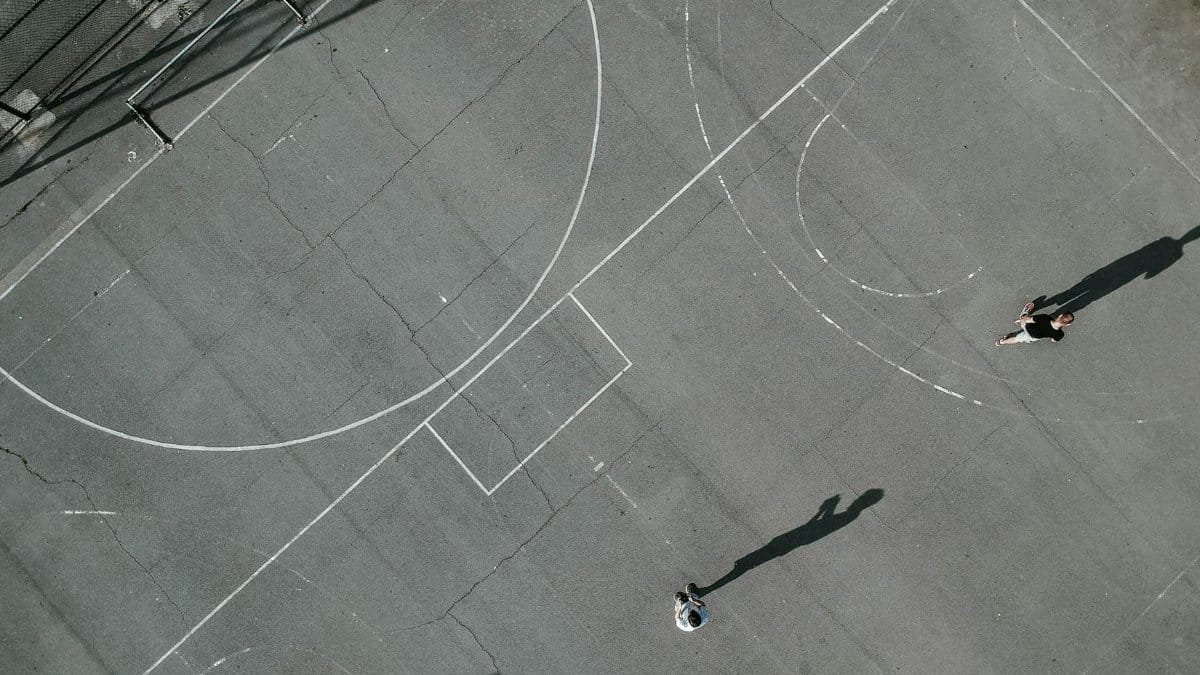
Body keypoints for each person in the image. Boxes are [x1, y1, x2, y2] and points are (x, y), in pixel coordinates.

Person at [995, 302, 1074, 346]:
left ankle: (1025, 312)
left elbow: (1029, 320)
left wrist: (1021, 320)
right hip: (1032, 336)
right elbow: (1053, 340)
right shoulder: (1060, 334)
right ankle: (1001, 342)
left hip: (1028, 327)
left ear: (1060, 315)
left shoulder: (1045, 318)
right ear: (1067, 325)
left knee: (1024, 317)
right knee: (1017, 339)